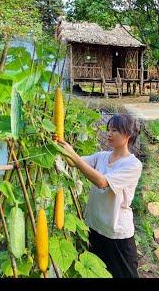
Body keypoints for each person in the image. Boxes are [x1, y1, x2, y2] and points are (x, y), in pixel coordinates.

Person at [57, 114, 143, 278]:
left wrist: (73, 155)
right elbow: (73, 162)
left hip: (116, 234)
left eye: (115, 130)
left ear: (128, 135)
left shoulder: (133, 164)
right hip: (95, 228)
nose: (109, 134)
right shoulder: (101, 156)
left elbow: (102, 182)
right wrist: (59, 145)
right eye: (109, 130)